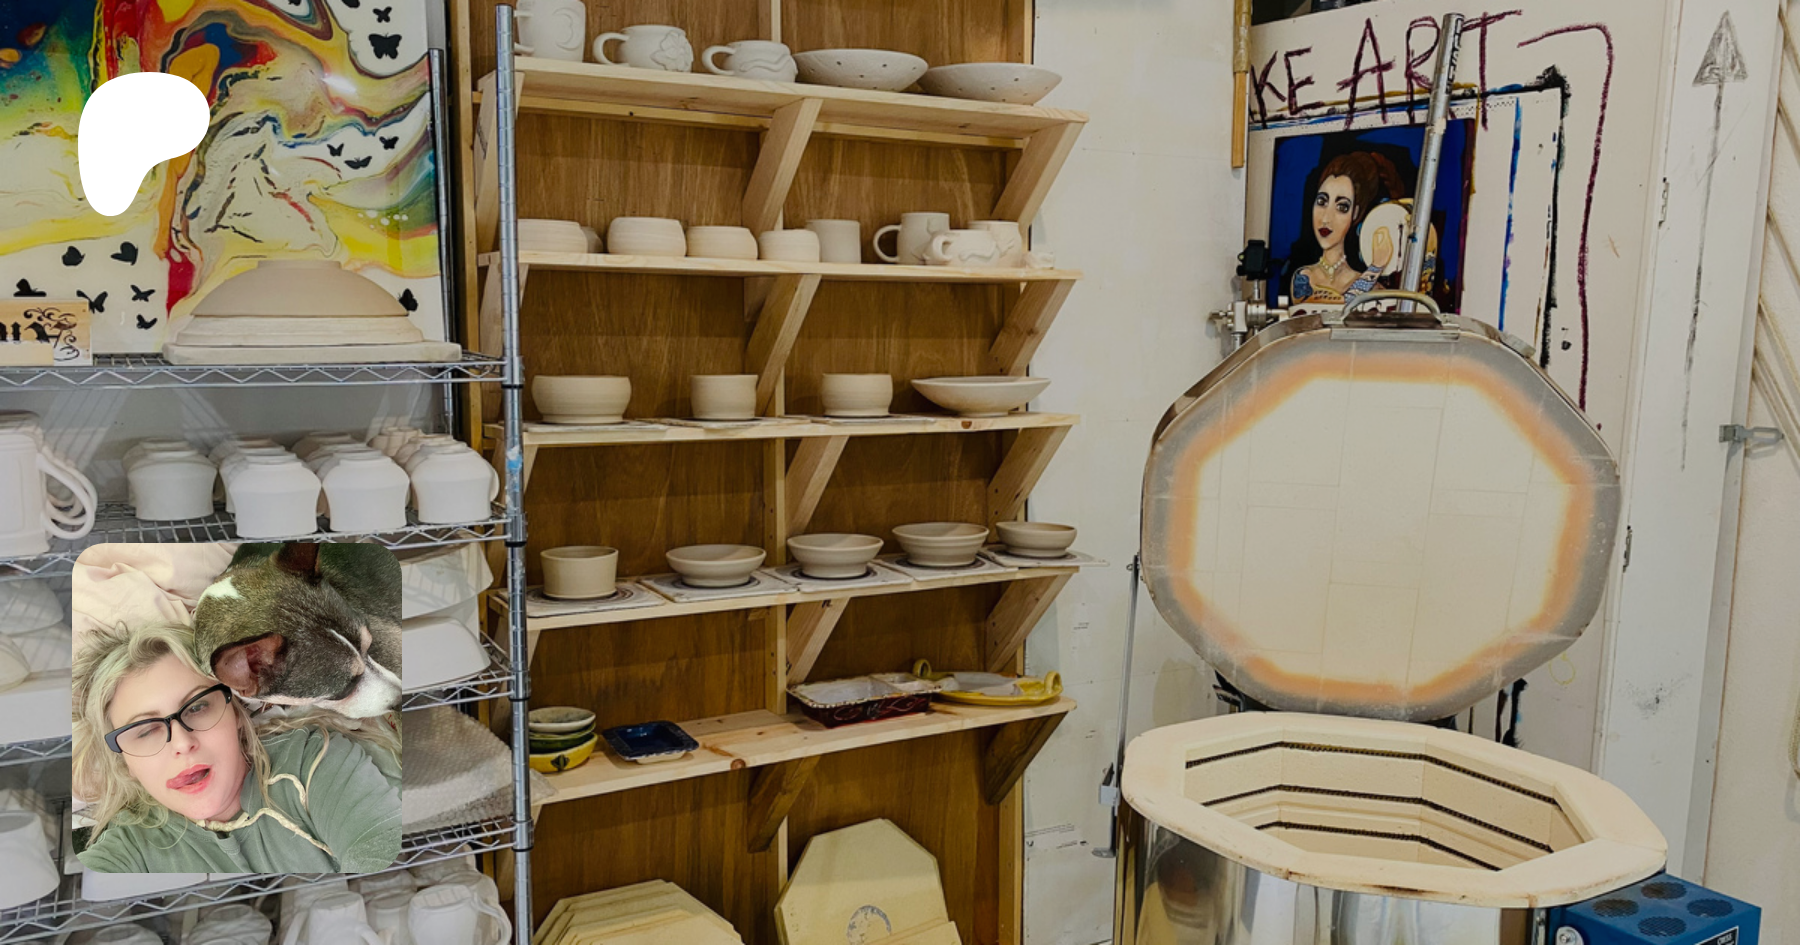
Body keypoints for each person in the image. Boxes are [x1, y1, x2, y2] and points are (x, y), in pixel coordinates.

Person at [72, 623, 402, 874]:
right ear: (125, 761)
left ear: (236, 713)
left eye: (197, 707)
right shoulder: (129, 848)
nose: (183, 744)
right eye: (145, 731)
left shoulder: (313, 764)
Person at [1289, 151, 1405, 306]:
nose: (1326, 218)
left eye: (1342, 207)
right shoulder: (1304, 277)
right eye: (1322, 202)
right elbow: (1342, 306)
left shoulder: (1372, 286)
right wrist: (1376, 267)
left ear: (1355, 213)